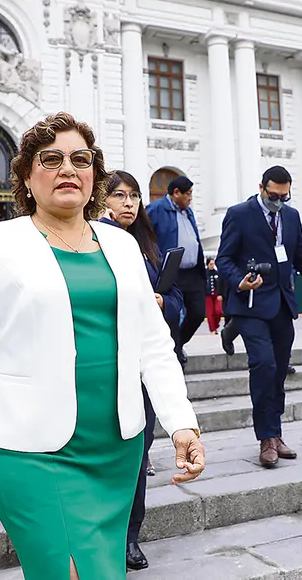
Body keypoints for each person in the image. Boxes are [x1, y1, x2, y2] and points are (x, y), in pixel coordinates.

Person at [0, 113, 204, 580]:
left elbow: (153, 345)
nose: (68, 168)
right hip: (33, 451)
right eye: (51, 159)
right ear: (28, 176)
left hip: (116, 448)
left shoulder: (121, 244)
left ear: (95, 176)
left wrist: (181, 423)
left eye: (80, 159)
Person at [215, 165, 302, 468]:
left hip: (282, 303)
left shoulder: (292, 216)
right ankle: (266, 438)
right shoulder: (239, 214)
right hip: (251, 303)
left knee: (280, 370)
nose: (280, 201)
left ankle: (277, 432)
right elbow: (224, 258)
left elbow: (299, 258)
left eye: (285, 196)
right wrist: (240, 280)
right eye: (275, 195)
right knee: (263, 366)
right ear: (262, 187)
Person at [100, 169, 184, 571]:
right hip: (100, 366)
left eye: (133, 196)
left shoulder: (148, 244)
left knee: (137, 453)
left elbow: (179, 296)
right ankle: (100, 533)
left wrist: (164, 303)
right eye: (119, 195)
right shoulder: (88, 240)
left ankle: (130, 536)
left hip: (143, 367)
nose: (129, 203)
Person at [146, 175, 206, 355]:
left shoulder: (188, 211)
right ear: (176, 193)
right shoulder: (156, 209)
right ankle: (175, 351)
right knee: (172, 316)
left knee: (197, 313)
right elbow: (145, 235)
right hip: (172, 273)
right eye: (187, 194)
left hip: (193, 273)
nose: (190, 198)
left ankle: (178, 344)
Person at [205, 257, 224, 335]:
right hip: (208, 294)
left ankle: (216, 325)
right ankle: (212, 329)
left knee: (218, 311)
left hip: (216, 294)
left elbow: (220, 284)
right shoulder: (204, 274)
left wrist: (220, 294)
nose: (212, 266)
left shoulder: (217, 273)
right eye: (211, 264)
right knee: (210, 313)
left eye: (213, 264)